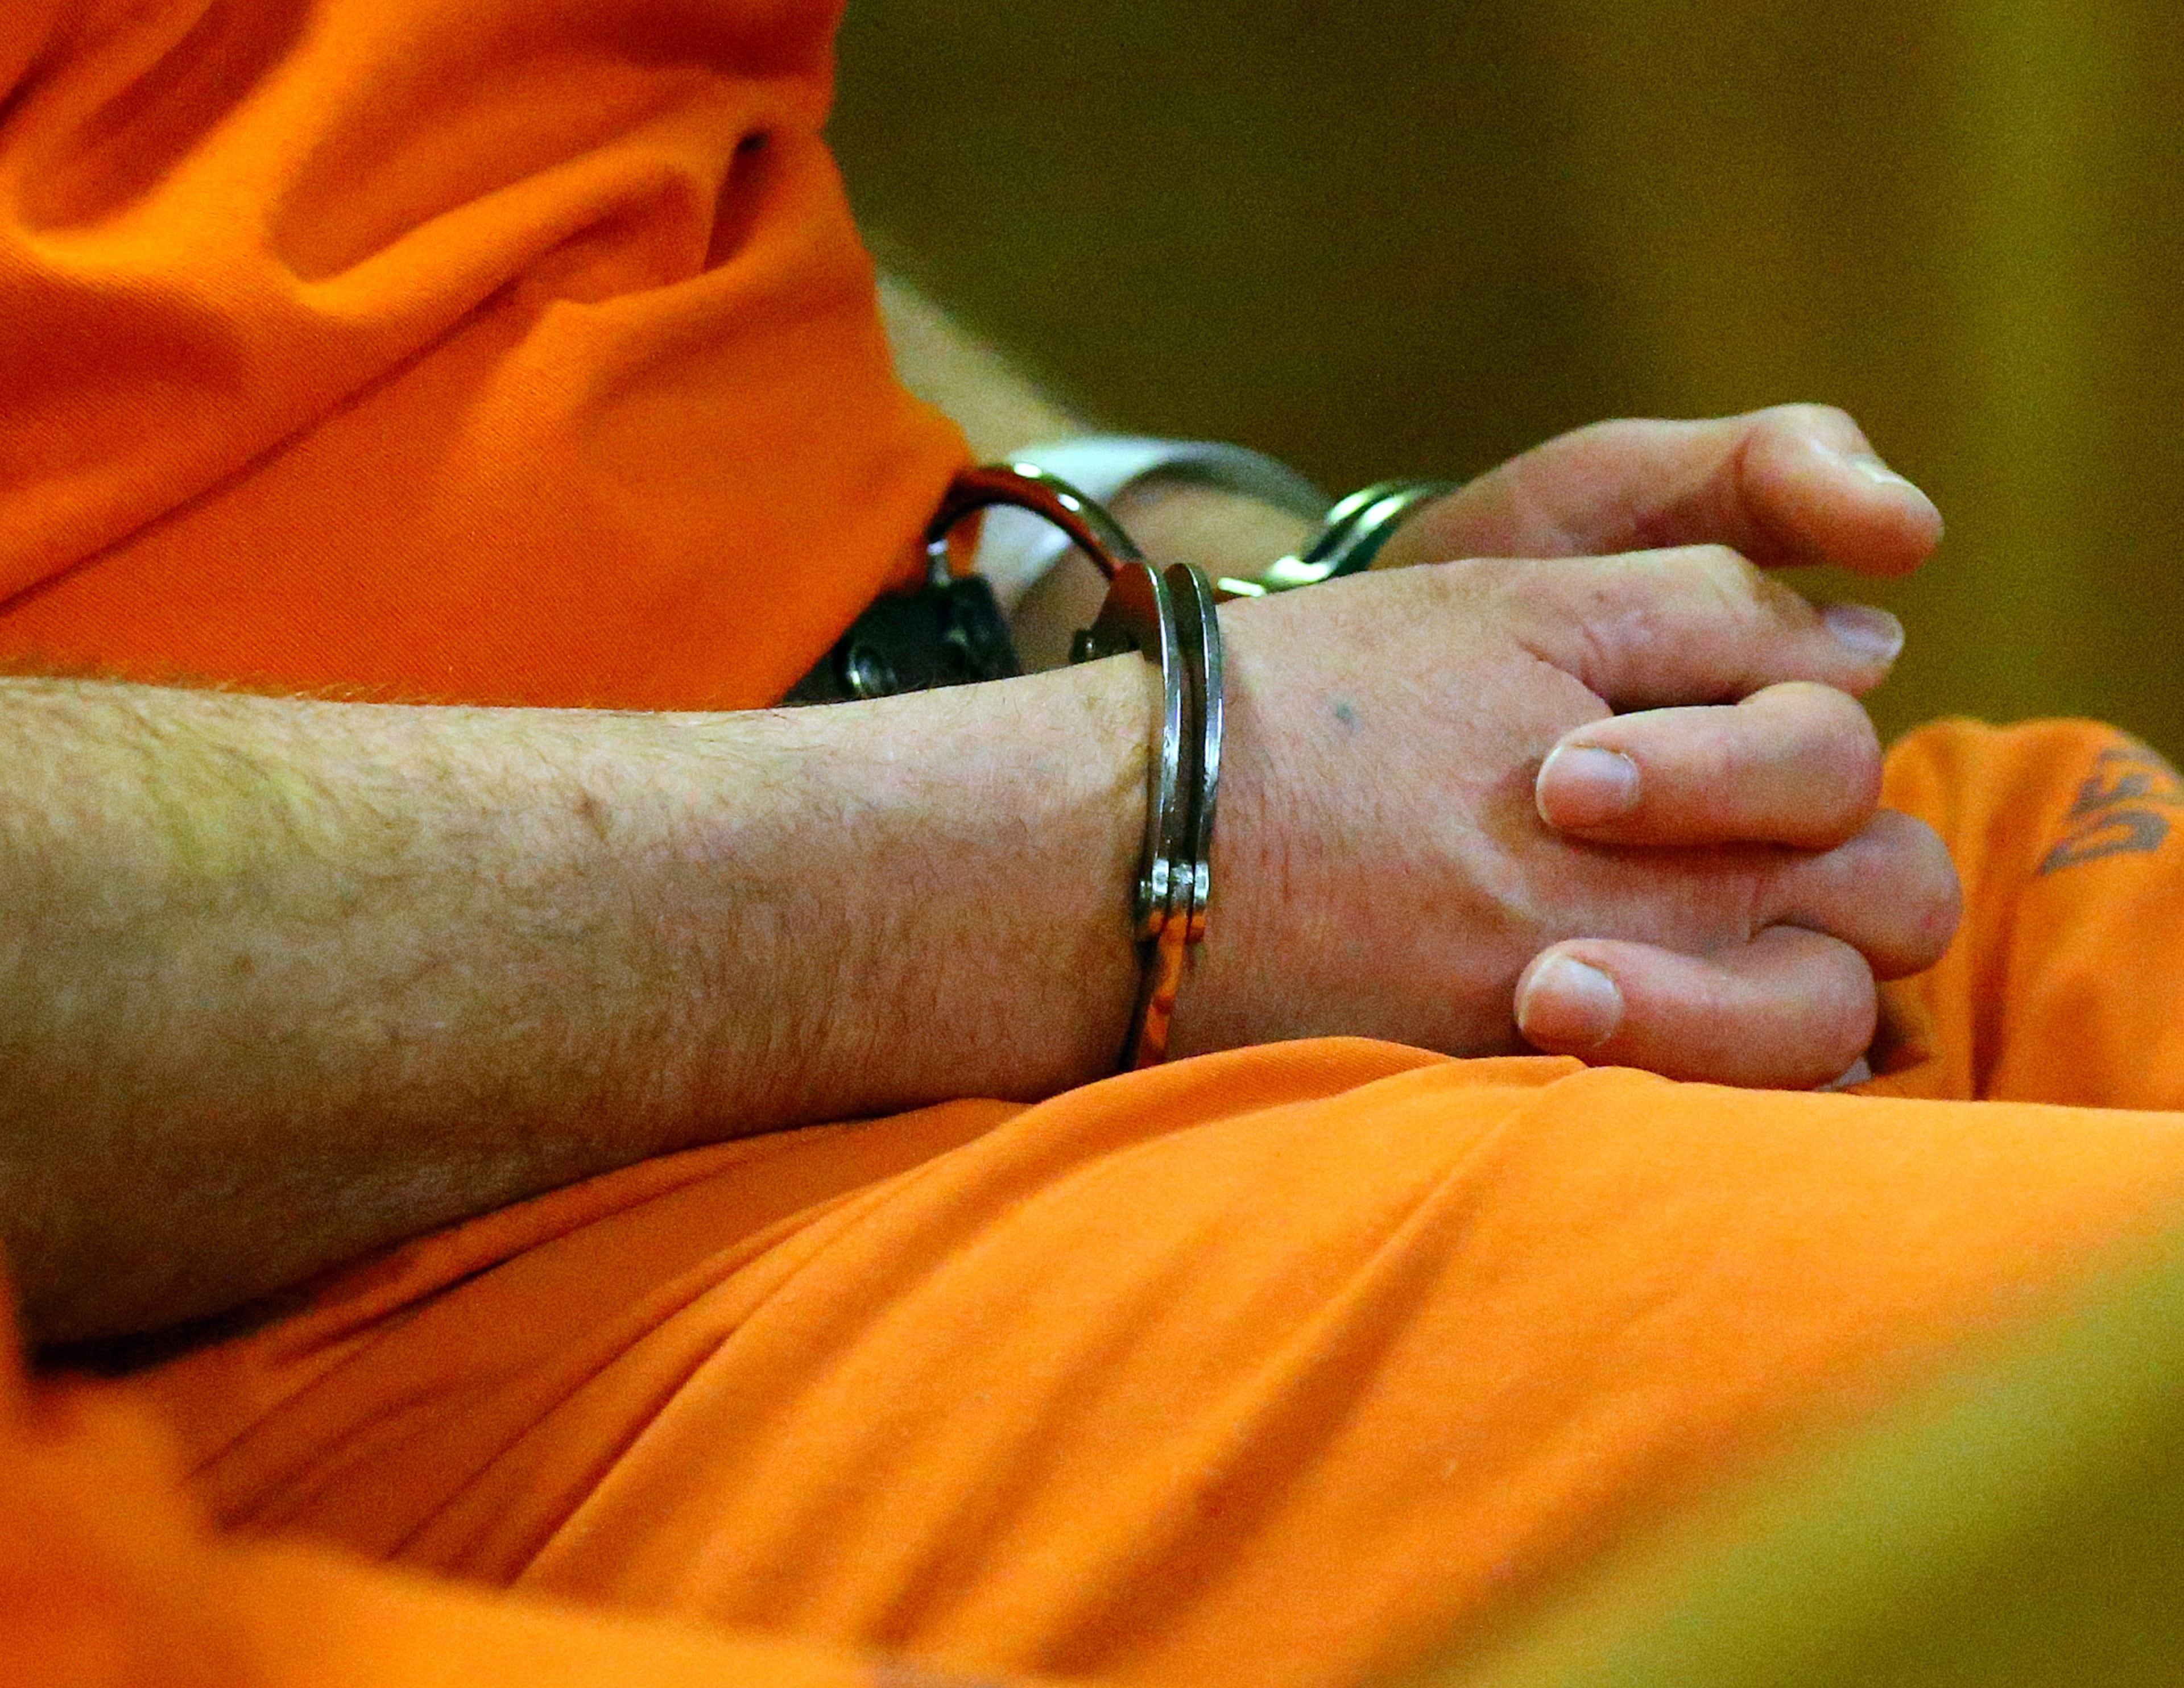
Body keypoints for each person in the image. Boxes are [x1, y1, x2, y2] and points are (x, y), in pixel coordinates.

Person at [1, 2, 2181, 1685]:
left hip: (1031, 807)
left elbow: (452, 139)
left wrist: (1195, 573)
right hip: (352, 1273)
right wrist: (1133, 835)